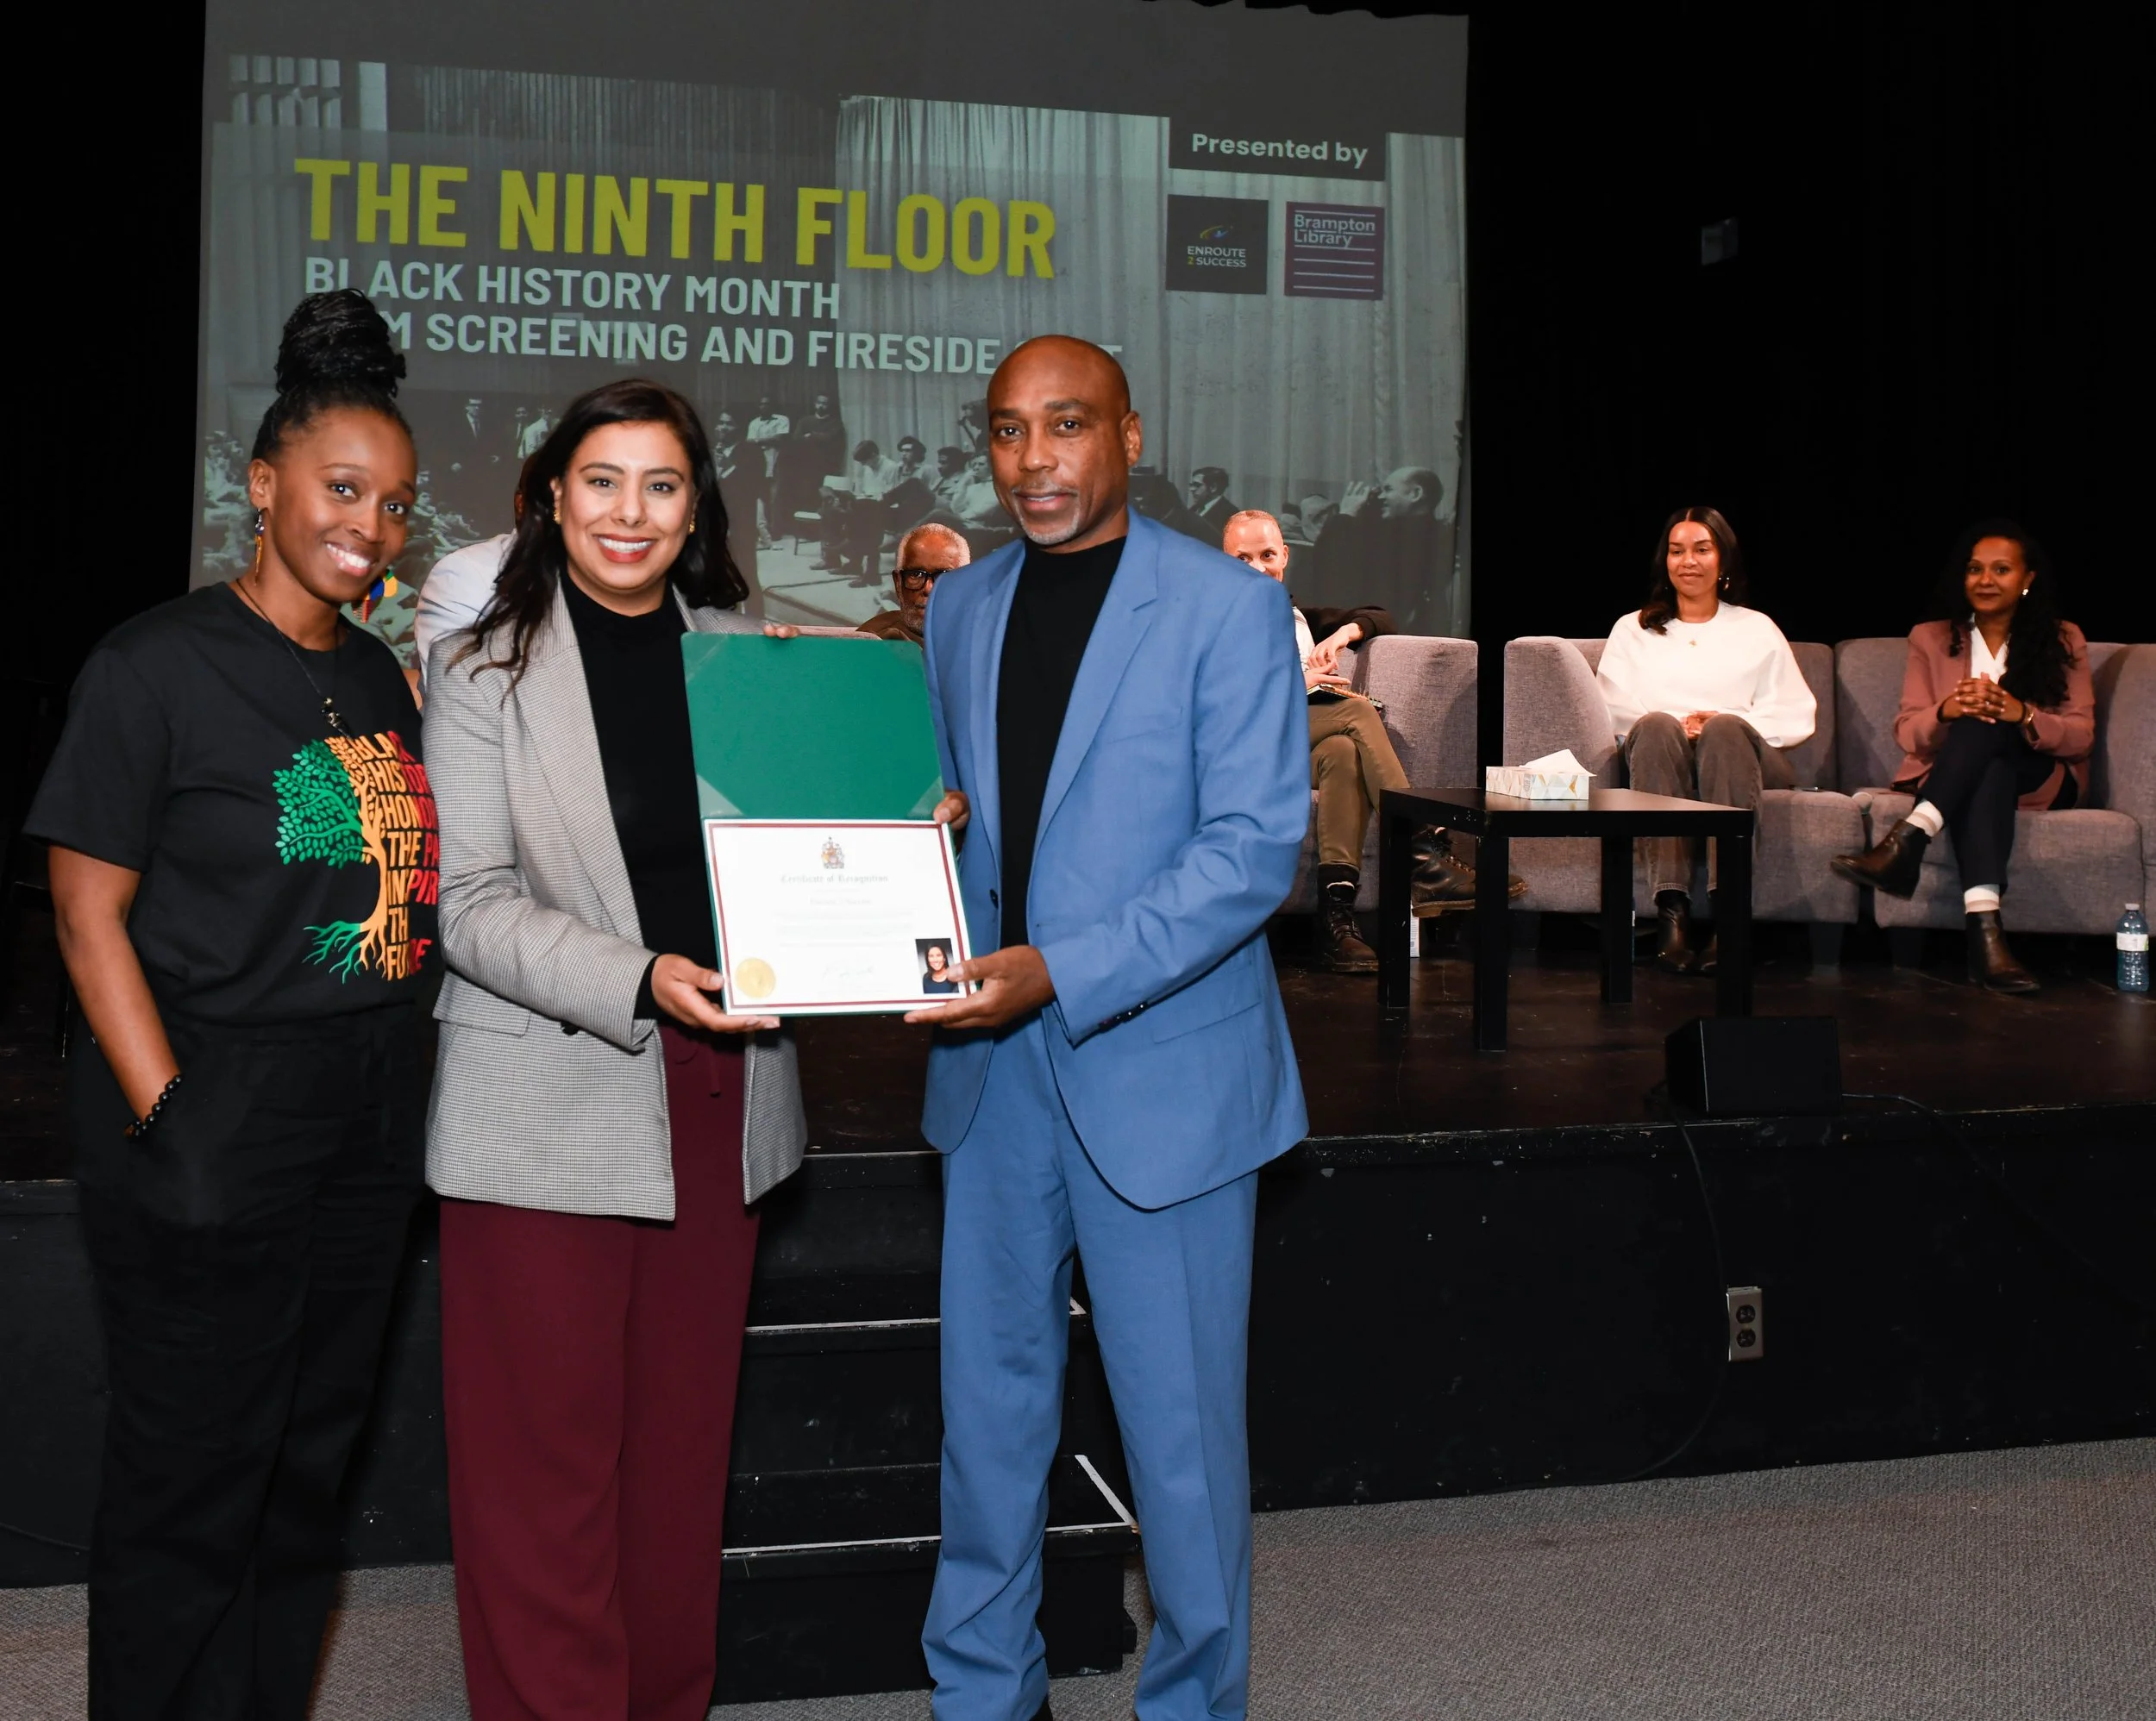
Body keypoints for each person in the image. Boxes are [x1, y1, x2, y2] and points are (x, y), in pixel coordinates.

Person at [426, 379, 943, 1718]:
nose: (631, 513)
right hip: (546, 1094)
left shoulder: (748, 652)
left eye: (662, 486)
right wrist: (642, 978)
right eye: (602, 481)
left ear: (696, 506)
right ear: (550, 493)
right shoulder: (486, 663)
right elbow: (471, 906)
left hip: (724, 1098)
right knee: (545, 1489)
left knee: (672, 1473)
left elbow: (806, 846)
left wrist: (895, 818)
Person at [28, 289, 435, 1718]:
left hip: (366, 1120)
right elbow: (88, 916)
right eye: (341, 490)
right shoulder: (154, 665)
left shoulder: (381, 673)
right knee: (192, 1479)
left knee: (308, 1468)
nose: (369, 528)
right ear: (262, 486)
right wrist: (172, 1114)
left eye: (393, 505)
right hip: (211, 1107)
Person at [906, 335, 1307, 1721]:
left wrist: (1061, 970)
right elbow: (961, 821)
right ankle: (980, 1697)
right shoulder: (957, 610)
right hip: (989, 1077)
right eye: (1008, 432)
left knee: (1182, 1448)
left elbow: (1255, 853)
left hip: (1165, 1075)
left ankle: (1194, 1704)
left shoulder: (1226, 610)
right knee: (989, 1429)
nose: (1033, 461)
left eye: (1065, 427)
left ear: (1128, 435)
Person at [1221, 510, 1514, 971]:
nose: (1258, 567)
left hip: (1293, 744)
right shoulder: (1211, 620)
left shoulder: (1300, 619)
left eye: (1267, 555)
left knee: (1341, 753)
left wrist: (1341, 635)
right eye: (1242, 558)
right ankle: (1422, 848)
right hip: (1241, 748)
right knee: (1356, 710)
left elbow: (1380, 616)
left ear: (1285, 557)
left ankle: (1336, 923)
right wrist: (1295, 684)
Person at [1831, 521, 2094, 992]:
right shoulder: (1930, 638)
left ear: (2027, 579)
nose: (1985, 580)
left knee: (1991, 717)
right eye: (1975, 569)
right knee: (1983, 749)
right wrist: (1948, 709)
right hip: (1973, 776)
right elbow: (1910, 733)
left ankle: (1911, 836)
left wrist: (2021, 714)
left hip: (2041, 776)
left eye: (2001, 569)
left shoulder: (2063, 638)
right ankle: (1986, 938)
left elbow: (2079, 737)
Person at [1596, 506, 1815, 974]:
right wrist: (1680, 726)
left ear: (1723, 560)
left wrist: (1725, 720)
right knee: (1655, 726)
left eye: (1701, 550)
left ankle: (1729, 920)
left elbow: (1796, 712)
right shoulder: (1633, 629)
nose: (1688, 561)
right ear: (1665, 560)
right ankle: (1672, 915)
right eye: (1677, 551)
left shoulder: (1756, 628)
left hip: (1744, 754)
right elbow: (1612, 708)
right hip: (1662, 755)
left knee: (1724, 730)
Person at [1310, 466, 1445, 626]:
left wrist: (1346, 514)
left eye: (1388, 489)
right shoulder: (1437, 537)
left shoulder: (1402, 541)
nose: (1381, 496)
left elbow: (1329, 569)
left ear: (1415, 494)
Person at [859, 523, 970, 646]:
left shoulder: (989, 642)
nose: (928, 589)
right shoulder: (872, 639)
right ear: (898, 583)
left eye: (943, 576)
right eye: (916, 575)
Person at [746, 394, 790, 546]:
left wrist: (759, 441)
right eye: (762, 404)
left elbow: (781, 439)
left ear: (773, 406)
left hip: (777, 464)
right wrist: (767, 441)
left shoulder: (782, 420)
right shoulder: (754, 423)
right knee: (760, 500)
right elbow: (749, 443)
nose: (764, 407)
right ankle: (762, 532)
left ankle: (776, 531)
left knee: (775, 499)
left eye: (767, 404)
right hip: (759, 465)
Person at [1187, 464, 1238, 535]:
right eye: (1191, 485)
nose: (1191, 489)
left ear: (1213, 488)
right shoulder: (1194, 509)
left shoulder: (1230, 515)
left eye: (1197, 485)